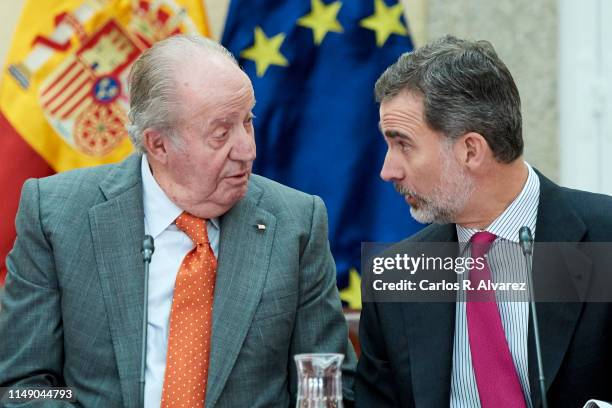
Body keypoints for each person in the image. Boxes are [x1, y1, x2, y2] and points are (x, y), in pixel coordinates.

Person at [0, 35, 356, 407]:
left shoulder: (296, 222)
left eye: (247, 122)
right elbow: (23, 385)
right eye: (221, 134)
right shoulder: (57, 214)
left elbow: (331, 385)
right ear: (158, 145)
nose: (248, 150)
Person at [355, 35, 612, 407]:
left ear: (471, 150)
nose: (387, 170)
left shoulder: (604, 241)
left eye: (403, 144)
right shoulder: (398, 274)